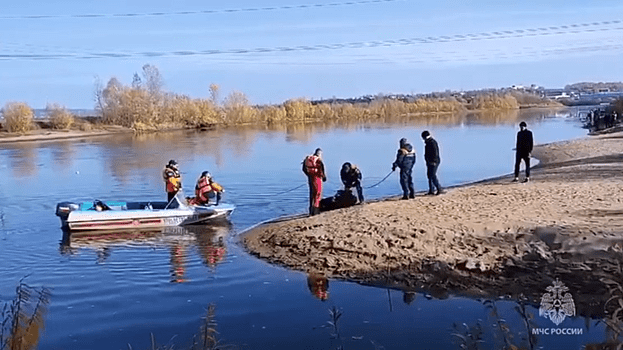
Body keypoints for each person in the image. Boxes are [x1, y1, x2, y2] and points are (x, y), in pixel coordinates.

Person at [302, 148, 326, 216]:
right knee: (317, 193)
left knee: (311, 194)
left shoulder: (308, 158)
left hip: (310, 178)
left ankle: (310, 211)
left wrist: (308, 175)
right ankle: (316, 211)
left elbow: (304, 169)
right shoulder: (318, 160)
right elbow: (322, 168)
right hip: (317, 178)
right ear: (320, 154)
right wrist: (324, 177)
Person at [421, 131, 443, 195]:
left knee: (433, 175)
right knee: (429, 175)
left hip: (434, 161)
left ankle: (439, 189)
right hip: (429, 161)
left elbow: (435, 153)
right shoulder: (428, 142)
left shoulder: (432, 142)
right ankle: (431, 190)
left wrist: (433, 161)